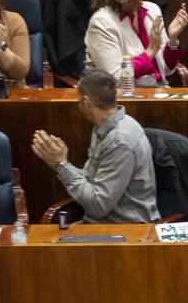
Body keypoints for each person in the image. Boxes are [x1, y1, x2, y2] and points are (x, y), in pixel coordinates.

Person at [32, 68, 160, 223]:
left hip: (125, 231)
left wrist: (62, 165)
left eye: (78, 99)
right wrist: (60, 163)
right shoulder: (104, 127)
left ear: (86, 102)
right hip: (102, 224)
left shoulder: (119, 142)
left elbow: (98, 206)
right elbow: (92, 180)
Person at [84, 0, 188, 86]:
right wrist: (150, 51)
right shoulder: (102, 22)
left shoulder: (152, 9)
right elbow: (114, 78)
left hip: (157, 94)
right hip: (122, 99)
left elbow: (167, 70)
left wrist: (172, 39)